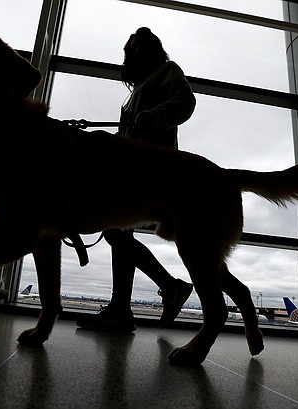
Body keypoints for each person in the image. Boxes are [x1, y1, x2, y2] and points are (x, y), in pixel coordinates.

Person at [77, 27, 196, 332]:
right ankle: (125, 309)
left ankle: (163, 290)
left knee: (116, 233)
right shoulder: (136, 91)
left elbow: (186, 102)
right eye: (129, 49)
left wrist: (154, 116)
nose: (131, 53)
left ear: (153, 50)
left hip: (150, 168)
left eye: (138, 47)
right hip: (132, 169)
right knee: (119, 234)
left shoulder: (167, 71)